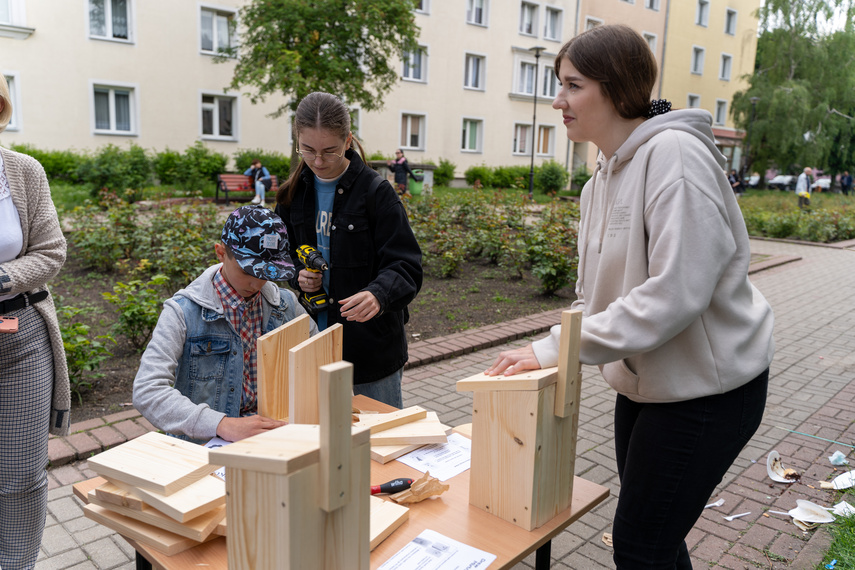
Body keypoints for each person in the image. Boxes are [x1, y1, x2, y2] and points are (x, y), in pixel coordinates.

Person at [485, 25, 774, 569]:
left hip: (708, 390)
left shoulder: (675, 157)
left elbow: (675, 291)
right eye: (560, 84)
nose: (557, 100)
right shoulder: (598, 182)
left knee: (642, 544)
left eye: (573, 85)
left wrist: (558, 348)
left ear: (616, 89)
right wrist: (547, 349)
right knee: (656, 537)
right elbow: (595, 297)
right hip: (647, 385)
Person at [275, 92, 422, 409]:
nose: (317, 161)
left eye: (329, 151)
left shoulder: (376, 192)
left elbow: (406, 265)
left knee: (379, 437)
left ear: (348, 141)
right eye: (307, 150)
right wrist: (298, 275)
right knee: (320, 437)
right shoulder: (293, 194)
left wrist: (378, 295)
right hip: (312, 342)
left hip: (369, 349)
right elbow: (281, 253)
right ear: (297, 140)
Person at [133, 205, 318, 444]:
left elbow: (321, 362)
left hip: (275, 436)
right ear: (220, 253)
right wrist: (222, 424)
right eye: (247, 271)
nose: (256, 283)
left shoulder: (286, 305)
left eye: (267, 272)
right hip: (204, 446)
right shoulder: (182, 312)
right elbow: (147, 390)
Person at [0, 74, 71, 570]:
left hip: (20, 339)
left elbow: (51, 251)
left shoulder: (23, 171)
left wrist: (3, 277)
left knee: (22, 476)